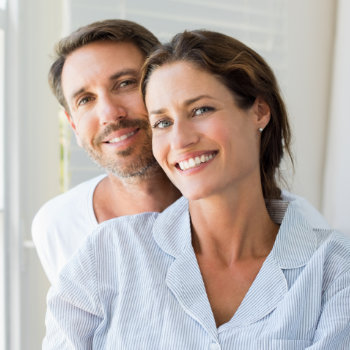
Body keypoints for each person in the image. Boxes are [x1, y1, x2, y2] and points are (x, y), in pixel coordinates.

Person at [43, 30, 350, 348]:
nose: (181, 140)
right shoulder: (106, 253)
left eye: (201, 110)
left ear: (259, 111)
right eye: (162, 122)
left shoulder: (334, 269)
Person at [31, 19, 181, 284]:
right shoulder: (57, 226)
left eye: (125, 83)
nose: (110, 114)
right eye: (85, 100)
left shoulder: (242, 209)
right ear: (74, 125)